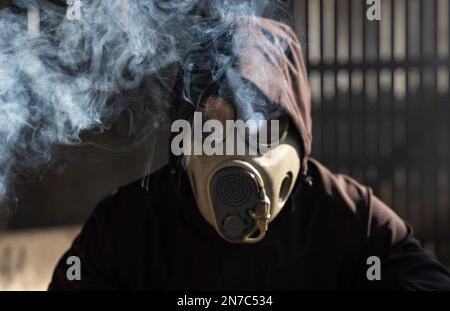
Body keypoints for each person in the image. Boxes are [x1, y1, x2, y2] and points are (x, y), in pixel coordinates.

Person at [49, 16, 450, 290]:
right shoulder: (129, 226)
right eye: (214, 124)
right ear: (184, 135)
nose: (235, 147)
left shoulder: (347, 217)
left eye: (259, 122)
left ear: (296, 129)